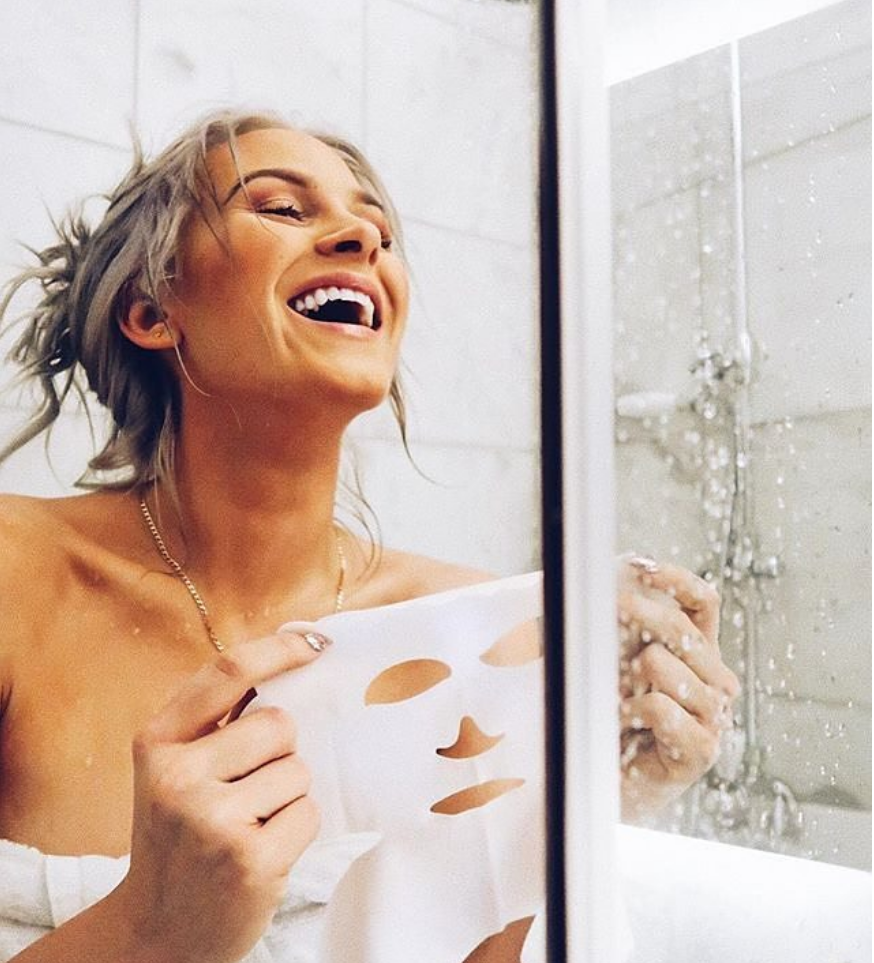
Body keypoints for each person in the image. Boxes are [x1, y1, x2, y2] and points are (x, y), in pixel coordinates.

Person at [0, 109, 739, 962]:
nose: (362, 239)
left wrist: (585, 810)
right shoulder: (19, 573)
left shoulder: (468, 637)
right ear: (151, 309)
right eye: (282, 208)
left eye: (379, 231)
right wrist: (149, 932)